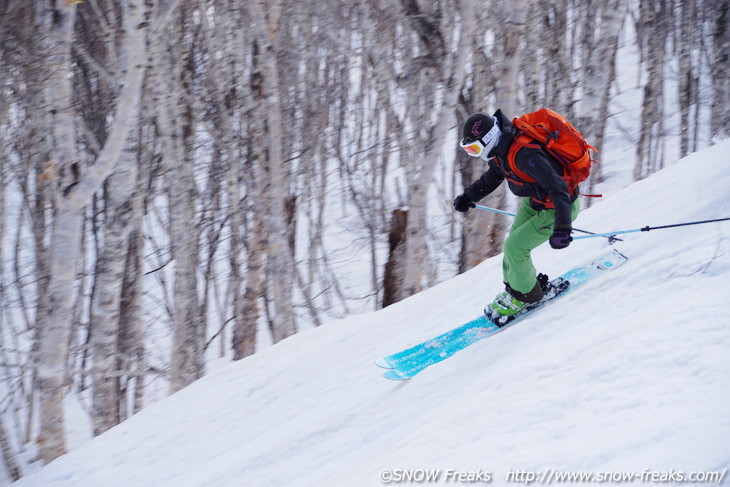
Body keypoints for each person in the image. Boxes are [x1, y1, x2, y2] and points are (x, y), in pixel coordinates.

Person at [454, 109, 580, 323]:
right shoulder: (503, 150)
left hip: (558, 206)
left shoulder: (524, 154)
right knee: (511, 246)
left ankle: (527, 296)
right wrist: (468, 196)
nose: (475, 154)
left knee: (515, 247)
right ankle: (517, 289)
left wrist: (563, 226)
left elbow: (558, 186)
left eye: (475, 148)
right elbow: (493, 176)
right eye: (470, 150)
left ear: (489, 138)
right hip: (535, 202)